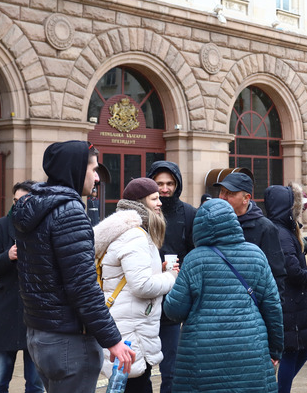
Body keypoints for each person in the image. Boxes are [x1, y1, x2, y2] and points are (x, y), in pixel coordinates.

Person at [13, 140, 134, 391]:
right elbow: (83, 286)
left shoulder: (35, 207)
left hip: (40, 336)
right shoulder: (69, 212)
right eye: (94, 169)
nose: (97, 178)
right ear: (77, 170)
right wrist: (113, 340)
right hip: (68, 341)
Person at [162, 199, 284, 392]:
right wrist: (276, 348)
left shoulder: (194, 259)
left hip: (202, 353)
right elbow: (272, 307)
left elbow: (174, 311)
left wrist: (169, 282)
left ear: (199, 226)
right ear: (233, 223)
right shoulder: (256, 255)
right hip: (250, 347)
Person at [94, 177, 178, 393]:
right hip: (132, 331)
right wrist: (170, 277)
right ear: (141, 202)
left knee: (125, 385)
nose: (160, 203)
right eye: (154, 198)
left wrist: (156, 270)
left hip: (124, 323)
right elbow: (141, 285)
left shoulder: (120, 231)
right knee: (137, 384)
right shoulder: (135, 236)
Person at [0, 180, 44, 393]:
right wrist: (7, 256)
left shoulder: (43, 225)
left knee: (36, 384)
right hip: (5, 311)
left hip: (35, 313)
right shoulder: (1, 226)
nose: (17, 205)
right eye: (15, 201)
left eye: (23, 201)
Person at [263, 183, 307, 393]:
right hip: (290, 300)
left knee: (304, 346)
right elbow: (292, 270)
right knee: (293, 349)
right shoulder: (280, 232)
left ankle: (281, 388)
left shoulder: (281, 229)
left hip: (295, 300)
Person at [146, 161, 197, 393]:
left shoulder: (188, 213)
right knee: (141, 368)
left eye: (170, 184)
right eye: (159, 184)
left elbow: (195, 254)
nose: (165, 189)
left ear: (177, 185)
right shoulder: (142, 213)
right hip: (144, 300)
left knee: (172, 369)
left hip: (174, 301)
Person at [215, 171, 287, 297]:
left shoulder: (265, 228)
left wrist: (271, 310)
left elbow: (276, 274)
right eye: (222, 191)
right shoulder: (214, 223)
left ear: (246, 198)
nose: (222, 197)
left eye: (230, 193)